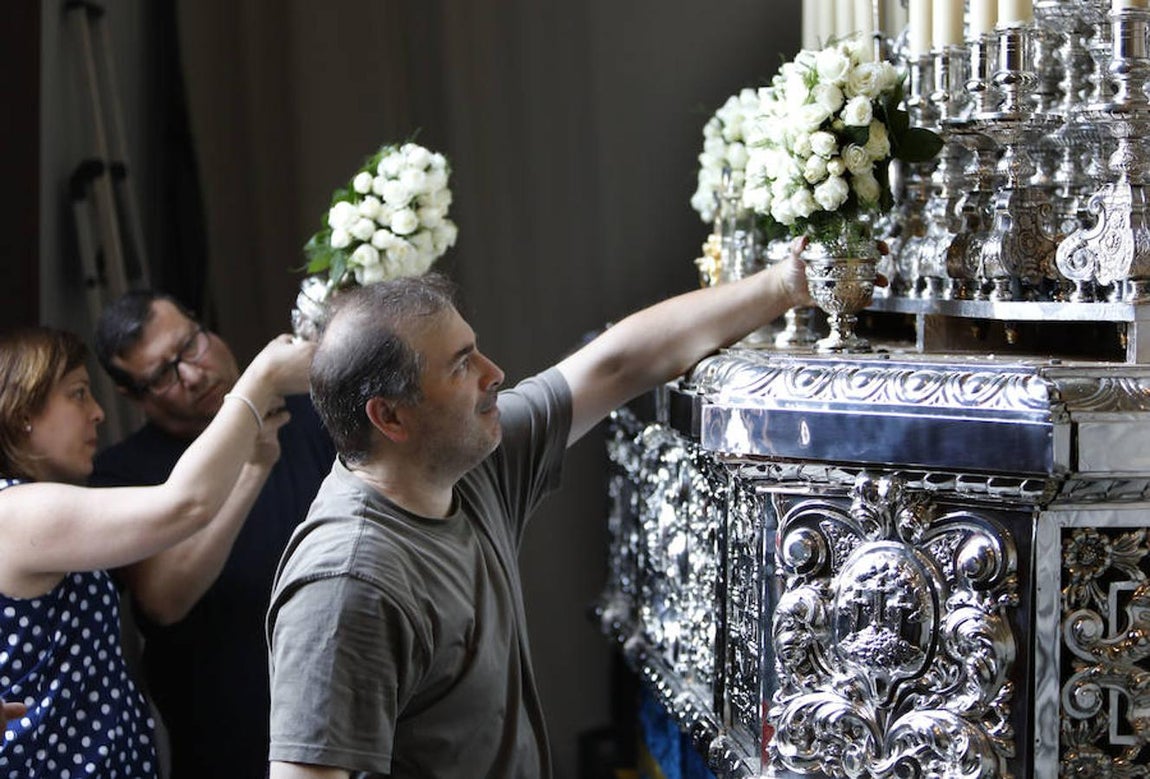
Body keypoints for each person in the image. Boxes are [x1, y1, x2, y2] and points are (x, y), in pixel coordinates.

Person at [265, 250, 812, 778]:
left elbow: (617, 365)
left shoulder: (465, 462)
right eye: (461, 366)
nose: (495, 373)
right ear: (389, 417)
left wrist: (785, 284)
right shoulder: (346, 584)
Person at [0, 325, 311, 778]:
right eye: (78, 394)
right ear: (23, 411)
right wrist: (262, 378)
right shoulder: (16, 512)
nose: (98, 413)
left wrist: (257, 462)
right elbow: (185, 505)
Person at [89, 291, 336, 779]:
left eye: (190, 345)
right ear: (132, 396)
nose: (193, 375)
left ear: (204, 326)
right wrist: (252, 465)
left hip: (354, 715)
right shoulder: (120, 474)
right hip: (232, 746)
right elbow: (164, 600)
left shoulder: (312, 413)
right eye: (162, 376)